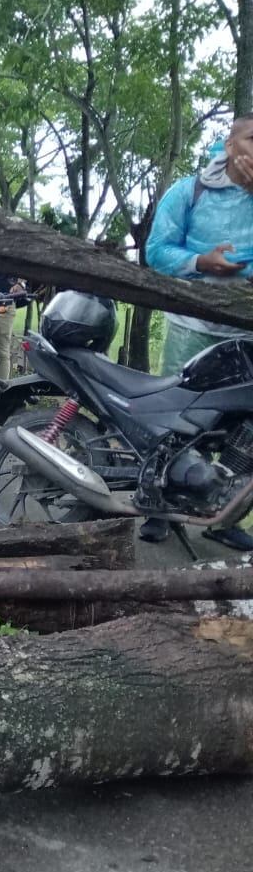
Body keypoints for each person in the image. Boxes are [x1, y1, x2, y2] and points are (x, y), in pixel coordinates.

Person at [140, 116, 253, 549]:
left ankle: (226, 515)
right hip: (191, 325)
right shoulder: (189, 191)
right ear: (229, 144)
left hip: (245, 333)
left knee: (243, 426)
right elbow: (156, 251)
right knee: (176, 418)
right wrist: (202, 263)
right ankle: (157, 507)